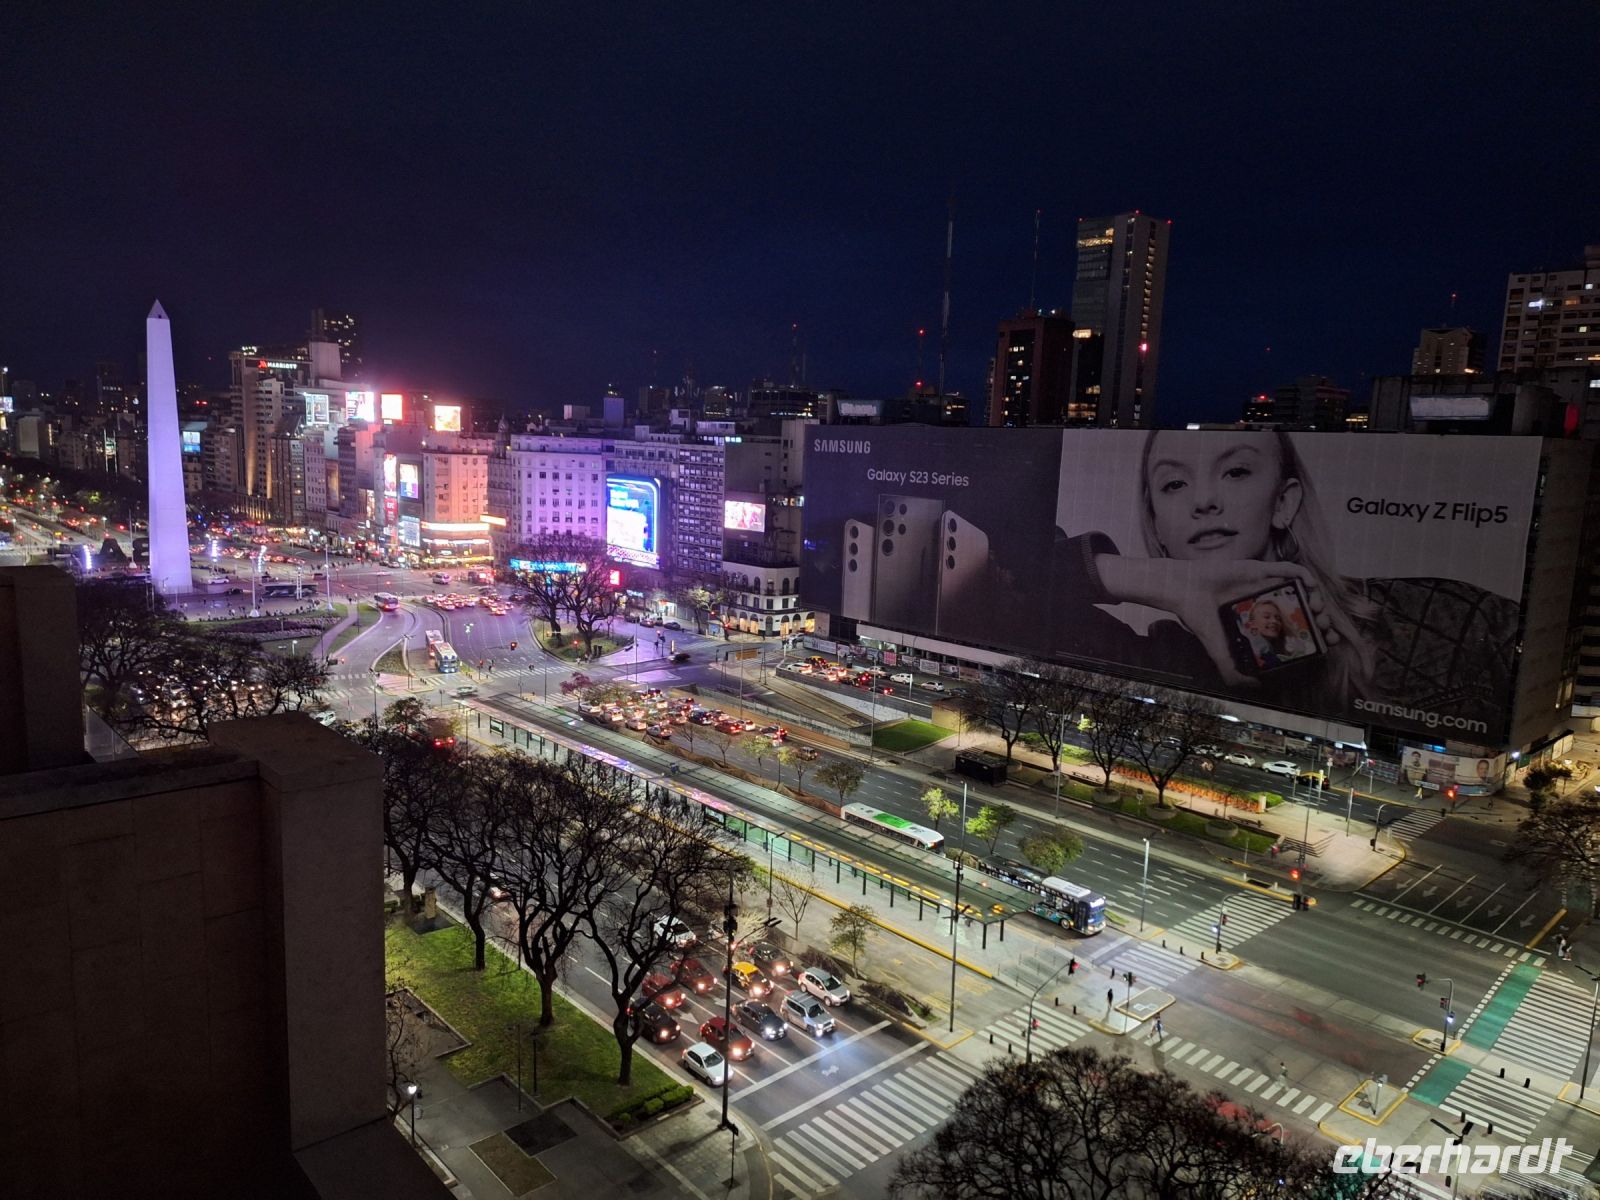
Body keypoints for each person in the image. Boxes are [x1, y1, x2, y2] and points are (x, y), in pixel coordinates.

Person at [1050, 429, 1519, 727]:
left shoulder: (1458, 620)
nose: (1205, 501)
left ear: (1284, 501)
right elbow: (990, 565)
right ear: (1156, 524)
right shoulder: (1156, 657)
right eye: (1175, 483)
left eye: (1235, 472)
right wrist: (1162, 580)